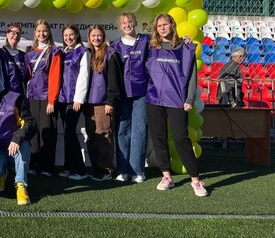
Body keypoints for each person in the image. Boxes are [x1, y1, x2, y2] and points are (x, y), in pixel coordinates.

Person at [146, 13, 208, 197]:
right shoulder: (150, 47)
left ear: (173, 26)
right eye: (159, 26)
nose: (162, 28)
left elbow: (191, 76)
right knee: (158, 137)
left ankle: (195, 180)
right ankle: (167, 177)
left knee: (182, 138)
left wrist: (189, 99)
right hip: (154, 99)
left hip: (177, 100)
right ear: (156, 29)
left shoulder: (185, 47)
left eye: (165, 24)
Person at [0, 65, 36, 206]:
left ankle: (21, 185)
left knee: (25, 144)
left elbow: (31, 123)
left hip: (15, 147)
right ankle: (1, 174)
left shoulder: (15, 99)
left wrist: (17, 137)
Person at [110, 12, 149, 183]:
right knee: (122, 131)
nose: (127, 25)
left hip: (142, 92)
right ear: (120, 26)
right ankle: (123, 169)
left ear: (136, 23)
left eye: (130, 21)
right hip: (122, 94)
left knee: (139, 130)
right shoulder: (115, 45)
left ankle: (138, 171)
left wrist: (183, 39)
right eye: (124, 23)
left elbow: (168, 42)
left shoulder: (146, 41)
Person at [84, 24, 123, 181]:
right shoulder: (88, 53)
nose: (96, 38)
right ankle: (96, 167)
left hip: (103, 102)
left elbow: (114, 80)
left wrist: (110, 101)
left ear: (104, 36)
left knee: (103, 135)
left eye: (99, 35)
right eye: (93, 35)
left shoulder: (110, 53)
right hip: (89, 103)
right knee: (92, 136)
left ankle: (106, 169)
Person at [25, 19, 61, 176]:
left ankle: (47, 167)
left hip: (47, 98)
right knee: (33, 132)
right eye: (39, 31)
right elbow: (28, 76)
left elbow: (55, 77)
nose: (42, 34)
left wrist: (52, 100)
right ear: (35, 33)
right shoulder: (29, 53)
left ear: (49, 32)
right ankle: (34, 164)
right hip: (32, 97)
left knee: (48, 132)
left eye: (44, 31)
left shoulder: (54, 52)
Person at [57, 24, 90, 180]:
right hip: (62, 99)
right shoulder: (62, 53)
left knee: (71, 131)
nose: (68, 38)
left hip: (74, 99)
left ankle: (80, 170)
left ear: (77, 35)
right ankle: (69, 167)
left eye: (71, 35)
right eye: (65, 36)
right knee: (66, 132)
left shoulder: (83, 52)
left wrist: (78, 99)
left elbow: (84, 76)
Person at [0, 24, 29, 95]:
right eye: (13, 32)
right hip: (6, 95)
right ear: (7, 34)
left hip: (22, 96)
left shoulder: (23, 55)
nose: (16, 35)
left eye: (18, 33)